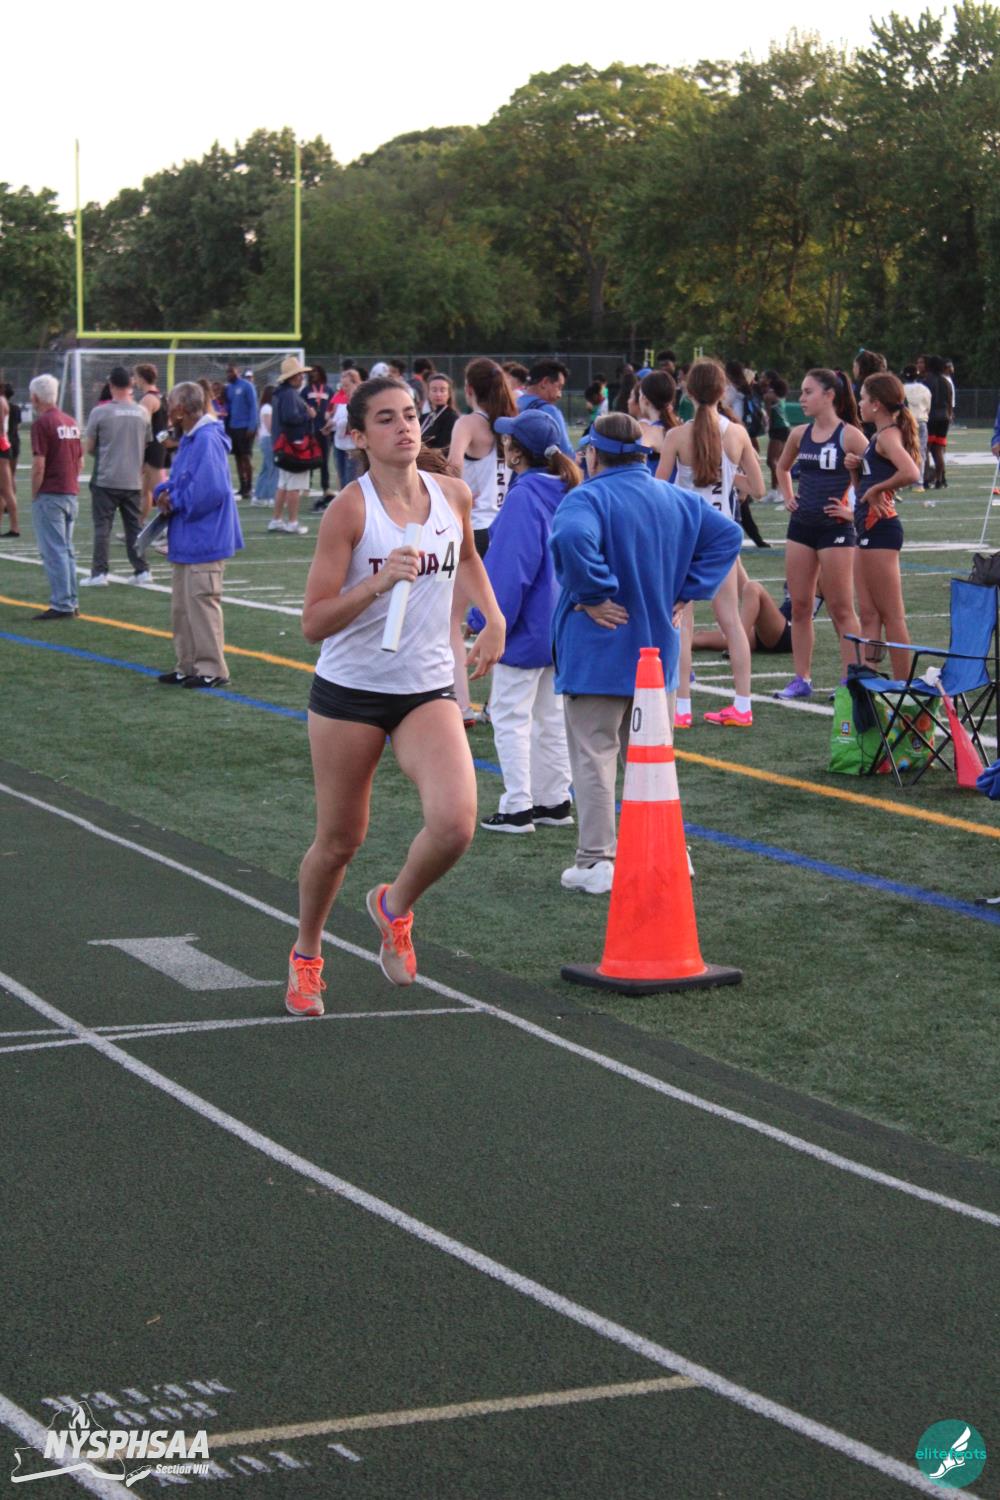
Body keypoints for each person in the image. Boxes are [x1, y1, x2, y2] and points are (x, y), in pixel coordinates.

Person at [285, 376, 505, 1016]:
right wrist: (375, 587)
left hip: (426, 689)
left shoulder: (453, 494)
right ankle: (306, 953)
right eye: (386, 418)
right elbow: (313, 623)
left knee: (455, 824)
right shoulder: (350, 511)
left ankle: (393, 905)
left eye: (409, 414)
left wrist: (492, 616)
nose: (404, 426)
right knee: (339, 842)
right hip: (350, 693)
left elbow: (468, 558)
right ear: (358, 436)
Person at [550, 412, 743, 894]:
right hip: (656, 653)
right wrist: (688, 589)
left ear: (593, 454)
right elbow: (728, 535)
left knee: (595, 757)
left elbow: (571, 538)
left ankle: (597, 860)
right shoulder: (675, 497)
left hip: (597, 652)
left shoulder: (587, 497)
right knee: (652, 759)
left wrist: (593, 592)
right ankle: (668, 850)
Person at [470, 408, 579, 834]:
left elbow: (510, 569)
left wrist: (484, 618)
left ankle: (518, 805)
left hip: (524, 625)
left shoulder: (525, 496)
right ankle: (554, 800)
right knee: (551, 716)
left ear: (517, 453)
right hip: (560, 624)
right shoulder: (568, 490)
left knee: (510, 715)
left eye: (508, 441)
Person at [657, 357, 766, 727]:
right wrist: (729, 478)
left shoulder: (676, 436)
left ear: (688, 392)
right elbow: (759, 488)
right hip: (722, 536)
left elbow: (657, 489)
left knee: (681, 622)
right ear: (724, 392)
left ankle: (681, 709)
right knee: (731, 622)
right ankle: (742, 705)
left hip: (686, 536)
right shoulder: (737, 434)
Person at [774, 368, 866, 699]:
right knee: (800, 606)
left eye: (808, 391)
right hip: (801, 527)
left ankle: (849, 680)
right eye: (801, 391)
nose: (801, 398)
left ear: (829, 395)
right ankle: (802, 678)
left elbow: (876, 482)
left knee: (841, 608)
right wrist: (788, 496)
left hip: (835, 530)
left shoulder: (850, 436)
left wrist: (852, 512)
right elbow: (782, 466)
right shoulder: (799, 434)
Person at [828, 372, 920, 679]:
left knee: (892, 615)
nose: (861, 404)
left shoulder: (888, 436)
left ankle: (903, 686)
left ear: (877, 404)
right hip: (866, 529)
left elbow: (911, 472)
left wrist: (879, 489)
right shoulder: (877, 437)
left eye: (864, 399)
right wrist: (854, 471)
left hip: (881, 530)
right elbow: (863, 489)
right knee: (868, 614)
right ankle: (868, 682)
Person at [154, 381, 243, 689]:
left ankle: (212, 668)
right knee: (183, 607)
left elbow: (211, 490)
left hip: (204, 536)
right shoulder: (194, 437)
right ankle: (188, 664)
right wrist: (163, 492)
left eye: (171, 405)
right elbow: (183, 479)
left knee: (202, 604)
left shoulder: (206, 438)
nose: (167, 410)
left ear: (181, 409)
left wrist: (175, 500)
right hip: (188, 537)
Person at [446, 358, 516, 722]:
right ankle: (498, 703)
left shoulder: (468, 423)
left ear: (469, 389)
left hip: (474, 530)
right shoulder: (510, 423)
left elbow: (454, 466)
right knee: (499, 618)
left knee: (453, 620)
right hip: (505, 529)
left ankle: (461, 705)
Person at [80, 364, 152, 588]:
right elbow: (146, 445)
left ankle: (99, 573)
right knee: (134, 527)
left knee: (103, 527)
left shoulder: (100, 412)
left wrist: (107, 453)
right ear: (131, 384)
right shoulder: (142, 412)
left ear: (110, 385)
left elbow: (89, 447)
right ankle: (142, 570)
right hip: (133, 479)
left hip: (106, 478)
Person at [28, 374, 83, 620]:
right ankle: (71, 599)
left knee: (55, 551)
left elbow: (39, 464)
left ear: (35, 398)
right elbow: (80, 461)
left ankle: (62, 603)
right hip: (70, 492)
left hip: (51, 493)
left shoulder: (42, 424)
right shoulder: (70, 421)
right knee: (66, 550)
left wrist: (35, 492)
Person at [269, 355, 312, 535]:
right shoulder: (289, 394)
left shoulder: (281, 393)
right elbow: (291, 417)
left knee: (284, 485)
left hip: (283, 445)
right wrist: (308, 415)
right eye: (299, 374)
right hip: (294, 445)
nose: (302, 377)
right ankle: (292, 522)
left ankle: (277, 519)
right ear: (292, 377)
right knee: (295, 485)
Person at [132, 364, 170, 521]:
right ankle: (138, 527)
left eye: (136, 377)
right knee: (145, 492)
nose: (134, 380)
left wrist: (139, 451)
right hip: (157, 447)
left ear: (142, 378)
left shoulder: (148, 399)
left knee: (161, 494)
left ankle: (173, 527)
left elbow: (142, 427)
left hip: (152, 450)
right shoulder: (160, 396)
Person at [517, 360, 574, 457]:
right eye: (559, 387)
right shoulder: (549, 411)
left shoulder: (513, 405)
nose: (559, 395)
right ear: (545, 382)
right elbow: (565, 454)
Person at [223, 364, 259, 501]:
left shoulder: (247, 386)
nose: (229, 375)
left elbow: (253, 406)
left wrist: (252, 426)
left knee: (246, 457)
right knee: (237, 457)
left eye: (231, 372)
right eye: (227, 372)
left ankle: (249, 487)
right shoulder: (229, 388)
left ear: (237, 372)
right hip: (233, 427)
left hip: (245, 427)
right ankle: (242, 486)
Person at [635, 369, 679, 475]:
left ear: (645, 399)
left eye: (639, 395)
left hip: (656, 483)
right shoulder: (678, 427)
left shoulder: (649, 431)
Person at [303, 364, 335, 508]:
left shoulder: (328, 390)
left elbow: (334, 407)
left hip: (324, 430)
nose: (313, 374)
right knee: (308, 459)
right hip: (310, 430)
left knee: (324, 460)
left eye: (316, 372)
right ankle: (306, 485)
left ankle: (325, 486)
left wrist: (331, 417)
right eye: (311, 372)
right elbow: (301, 405)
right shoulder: (306, 390)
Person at [922, 355, 953, 489]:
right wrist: (949, 415)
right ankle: (940, 479)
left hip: (931, 417)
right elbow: (950, 401)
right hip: (944, 417)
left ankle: (926, 478)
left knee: (926, 448)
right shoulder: (946, 382)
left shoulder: (927, 381)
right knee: (939, 449)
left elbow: (925, 401)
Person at [330, 367, 363, 491]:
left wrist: (340, 425)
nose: (344, 389)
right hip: (340, 445)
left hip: (352, 447)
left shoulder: (360, 401)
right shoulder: (341, 398)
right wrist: (331, 425)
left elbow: (352, 422)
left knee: (351, 482)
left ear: (356, 383)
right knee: (342, 480)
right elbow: (337, 418)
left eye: (347, 386)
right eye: (342, 385)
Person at [761, 372, 791, 497]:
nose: (761, 379)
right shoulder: (778, 393)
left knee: (772, 461)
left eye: (763, 377)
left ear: (769, 380)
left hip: (778, 429)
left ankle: (779, 491)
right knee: (777, 461)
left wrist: (765, 427)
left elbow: (768, 416)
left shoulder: (769, 396)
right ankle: (776, 490)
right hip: (784, 428)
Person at [902, 366, 930, 493]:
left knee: (903, 452)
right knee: (920, 452)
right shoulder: (924, 389)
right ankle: (918, 482)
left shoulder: (901, 388)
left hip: (906, 422)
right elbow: (928, 406)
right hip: (921, 421)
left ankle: (903, 481)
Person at [419, 374, 460, 451]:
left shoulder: (452, 418)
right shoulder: (424, 417)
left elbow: (444, 448)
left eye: (442, 390)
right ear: (428, 393)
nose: (438, 394)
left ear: (449, 394)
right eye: (434, 390)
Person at [253, 384, 278, 505]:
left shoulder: (265, 407)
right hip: (269, 439)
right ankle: (271, 496)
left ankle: (259, 496)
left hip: (266, 439)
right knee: (273, 468)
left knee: (266, 468)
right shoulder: (267, 408)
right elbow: (270, 426)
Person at [0, 382, 19, 536]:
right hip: (3, 446)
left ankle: (15, 527)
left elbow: (1, 427)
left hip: (1, 447)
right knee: (3, 490)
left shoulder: (1, 401)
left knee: (6, 489)